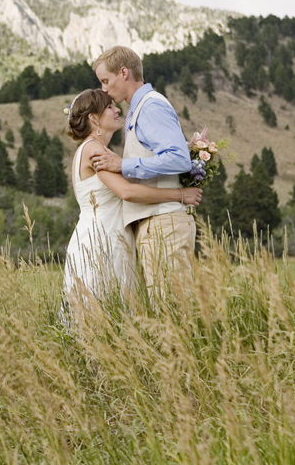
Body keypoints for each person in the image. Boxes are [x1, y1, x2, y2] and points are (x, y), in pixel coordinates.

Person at [63, 88, 201, 324]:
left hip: (100, 234)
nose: (118, 109)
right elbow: (126, 192)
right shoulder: (94, 150)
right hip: (102, 240)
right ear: (94, 118)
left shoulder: (91, 149)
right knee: (104, 311)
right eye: (109, 107)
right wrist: (179, 194)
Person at [90, 46, 195, 297]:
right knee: (165, 309)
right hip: (155, 223)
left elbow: (180, 159)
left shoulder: (150, 106)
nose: (104, 89)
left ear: (123, 72)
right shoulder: (138, 110)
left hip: (164, 223)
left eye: (106, 80)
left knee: (173, 311)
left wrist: (122, 165)